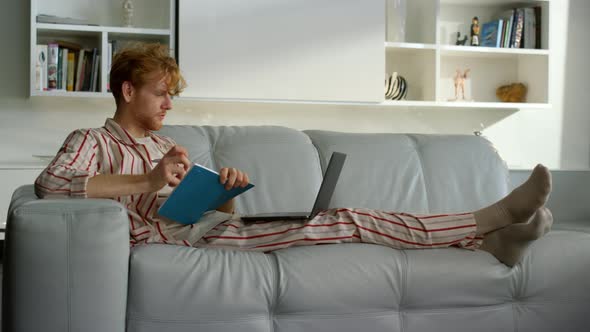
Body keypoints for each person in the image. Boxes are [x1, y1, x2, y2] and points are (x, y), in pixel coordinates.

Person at [35, 43, 553, 267]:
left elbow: (197, 215)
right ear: (126, 91)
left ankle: (489, 244)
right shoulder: (91, 141)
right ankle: (494, 218)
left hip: (209, 231)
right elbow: (52, 185)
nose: (170, 103)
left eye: (174, 93)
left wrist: (225, 195)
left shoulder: (162, 147)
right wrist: (147, 184)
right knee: (348, 219)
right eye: (159, 93)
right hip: (182, 248)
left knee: (340, 218)